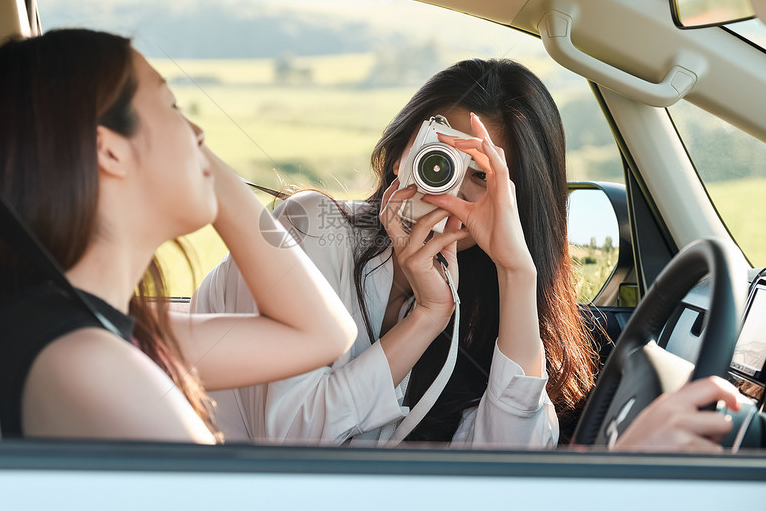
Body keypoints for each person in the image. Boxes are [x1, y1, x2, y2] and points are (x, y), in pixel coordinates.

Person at [196, 58, 749, 452]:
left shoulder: (480, 293)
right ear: (400, 155)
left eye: (480, 178)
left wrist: (516, 270)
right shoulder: (312, 230)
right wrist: (424, 320)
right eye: (436, 159)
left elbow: (511, 460)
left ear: (516, 201)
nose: (446, 190)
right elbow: (291, 440)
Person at [0, 29, 357, 442]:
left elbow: (325, 335)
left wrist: (195, 167)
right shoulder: (87, 361)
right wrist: (193, 170)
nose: (199, 133)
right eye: (172, 106)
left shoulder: (94, 332)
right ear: (109, 150)